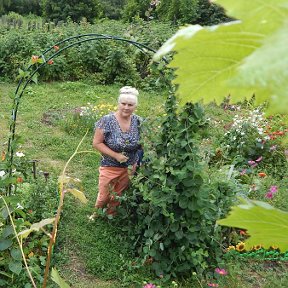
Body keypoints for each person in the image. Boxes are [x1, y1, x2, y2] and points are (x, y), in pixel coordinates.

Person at [91, 86, 142, 217]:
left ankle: (111, 215)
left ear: (135, 106)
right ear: (118, 104)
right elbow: (96, 143)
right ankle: (96, 214)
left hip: (129, 166)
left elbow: (143, 142)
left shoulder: (138, 121)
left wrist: (138, 159)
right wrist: (116, 155)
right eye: (123, 103)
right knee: (104, 195)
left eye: (130, 105)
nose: (126, 107)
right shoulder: (107, 120)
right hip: (109, 165)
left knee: (118, 194)